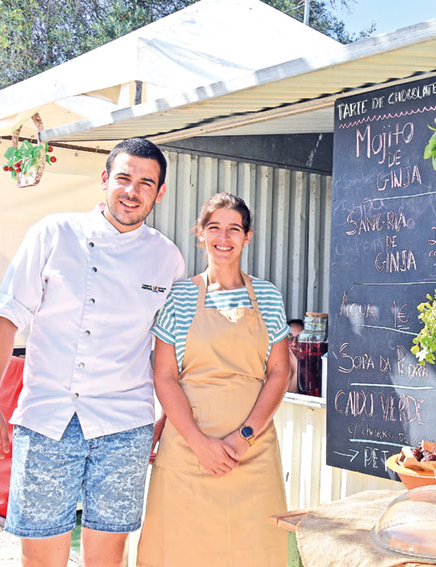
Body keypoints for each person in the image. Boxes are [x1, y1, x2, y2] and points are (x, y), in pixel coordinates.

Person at [0, 137, 184, 567]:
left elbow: (168, 349)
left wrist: (167, 419)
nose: (131, 190)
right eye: (123, 177)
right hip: (49, 418)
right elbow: (4, 316)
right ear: (104, 179)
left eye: (145, 183)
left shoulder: (167, 258)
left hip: (125, 424)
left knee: (108, 558)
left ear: (159, 193)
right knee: (42, 555)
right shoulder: (54, 232)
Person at [137, 192, 290, 567]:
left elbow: (280, 372)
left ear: (247, 236)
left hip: (251, 452)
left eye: (234, 229)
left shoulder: (267, 296)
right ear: (200, 234)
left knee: (256, 551)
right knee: (178, 551)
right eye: (214, 228)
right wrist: (198, 442)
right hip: (188, 451)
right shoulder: (180, 296)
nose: (224, 238)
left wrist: (244, 437)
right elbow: (166, 377)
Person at [286, 318, 304, 393]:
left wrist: (297, 366)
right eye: (289, 338)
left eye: (299, 338)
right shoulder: (276, 363)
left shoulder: (310, 365)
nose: (294, 343)